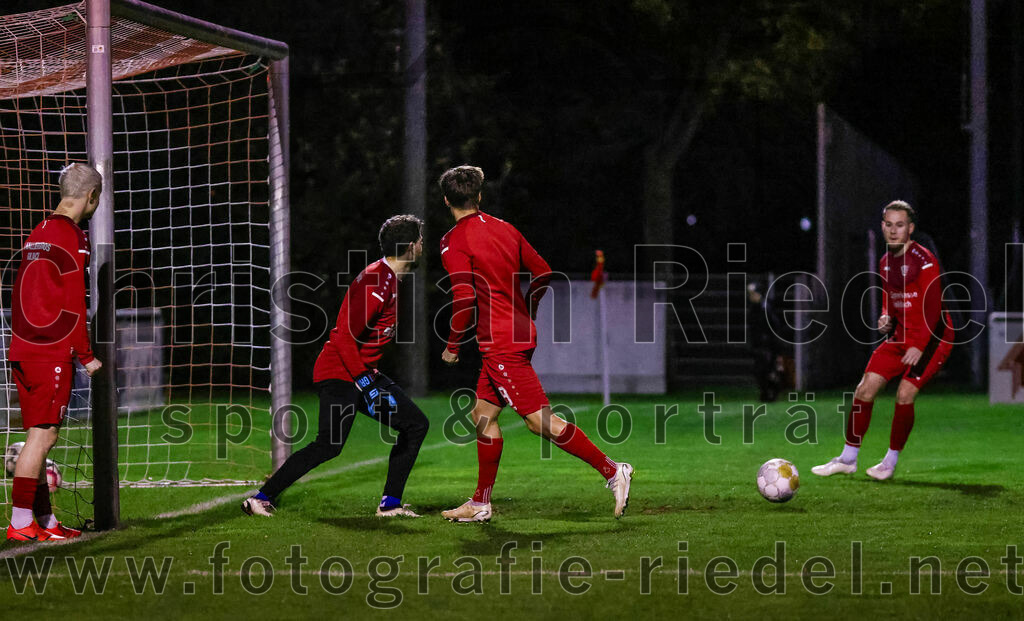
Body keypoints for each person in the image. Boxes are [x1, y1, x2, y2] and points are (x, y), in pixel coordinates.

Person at [436, 165, 633, 522]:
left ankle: (613, 470)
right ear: (479, 196)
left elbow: (464, 297)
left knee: (540, 422)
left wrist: (452, 344)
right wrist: (529, 308)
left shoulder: (452, 240)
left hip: (500, 342)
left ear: (447, 199)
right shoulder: (506, 229)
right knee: (483, 415)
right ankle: (480, 503)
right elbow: (543, 271)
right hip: (519, 333)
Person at [242, 215, 429, 517]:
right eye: (419, 240)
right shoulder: (376, 281)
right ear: (408, 247)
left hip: (360, 373)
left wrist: (368, 379)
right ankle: (261, 498)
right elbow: (343, 338)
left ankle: (390, 503)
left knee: (415, 424)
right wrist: (366, 385)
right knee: (328, 445)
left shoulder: (388, 279)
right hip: (340, 374)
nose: (422, 245)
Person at [812, 200, 953, 480]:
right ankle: (848, 458)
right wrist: (886, 315)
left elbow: (933, 311)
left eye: (899, 225)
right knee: (864, 390)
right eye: (888, 224)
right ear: (882, 226)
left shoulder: (924, 261)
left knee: (904, 394)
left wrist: (919, 345)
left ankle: (889, 462)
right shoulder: (886, 261)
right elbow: (890, 297)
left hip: (933, 337)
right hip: (901, 337)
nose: (893, 230)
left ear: (910, 228)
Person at [7, 163, 104, 541]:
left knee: (37, 433)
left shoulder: (39, 231)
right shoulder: (73, 236)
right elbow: (72, 302)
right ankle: (19, 523)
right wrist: (86, 353)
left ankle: (44, 522)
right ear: (91, 197)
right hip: (49, 350)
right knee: (43, 438)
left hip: (23, 346)